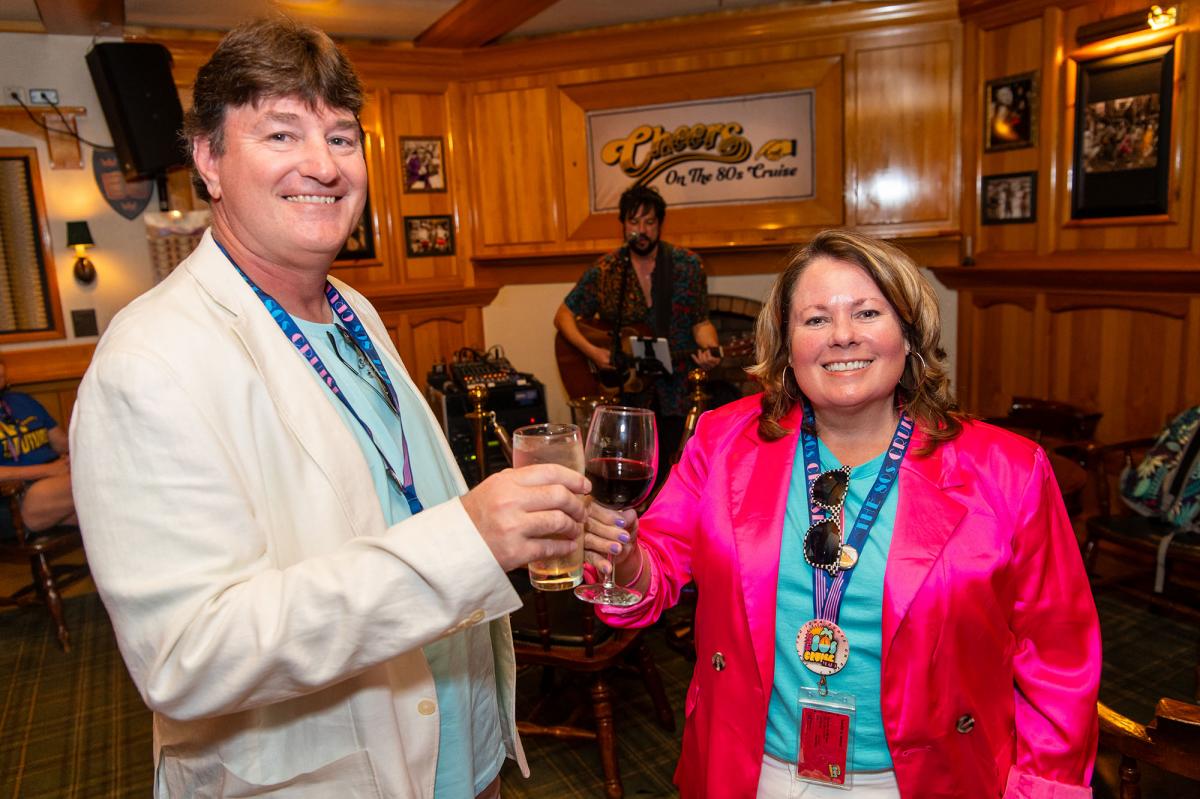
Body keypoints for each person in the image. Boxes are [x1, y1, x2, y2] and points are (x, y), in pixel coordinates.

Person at [69, 18, 589, 799]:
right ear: (208, 158)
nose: (322, 164)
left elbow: (388, 498)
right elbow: (188, 655)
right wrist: (469, 538)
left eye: (341, 137)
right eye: (281, 133)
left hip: (462, 748)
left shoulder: (351, 308)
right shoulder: (149, 362)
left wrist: (521, 519)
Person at [582, 229, 1101, 797]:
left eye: (867, 312)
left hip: (928, 779)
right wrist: (623, 556)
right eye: (815, 319)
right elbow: (650, 575)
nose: (842, 335)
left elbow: (1059, 655)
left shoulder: (1009, 471)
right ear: (787, 346)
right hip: (756, 770)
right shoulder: (722, 440)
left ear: (909, 334)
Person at [554, 185, 721, 472]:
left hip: (675, 392)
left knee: (675, 470)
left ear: (660, 224)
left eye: (649, 222)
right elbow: (563, 316)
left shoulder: (687, 266)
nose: (641, 230)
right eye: (634, 222)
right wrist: (593, 352)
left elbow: (701, 322)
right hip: (624, 395)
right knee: (627, 470)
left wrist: (711, 349)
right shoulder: (606, 270)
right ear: (623, 224)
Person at [0, 354, 76, 532]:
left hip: (57, 482)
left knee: (104, 516)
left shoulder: (22, 401)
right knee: (98, 483)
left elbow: (61, 444)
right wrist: (47, 470)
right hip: (17, 495)